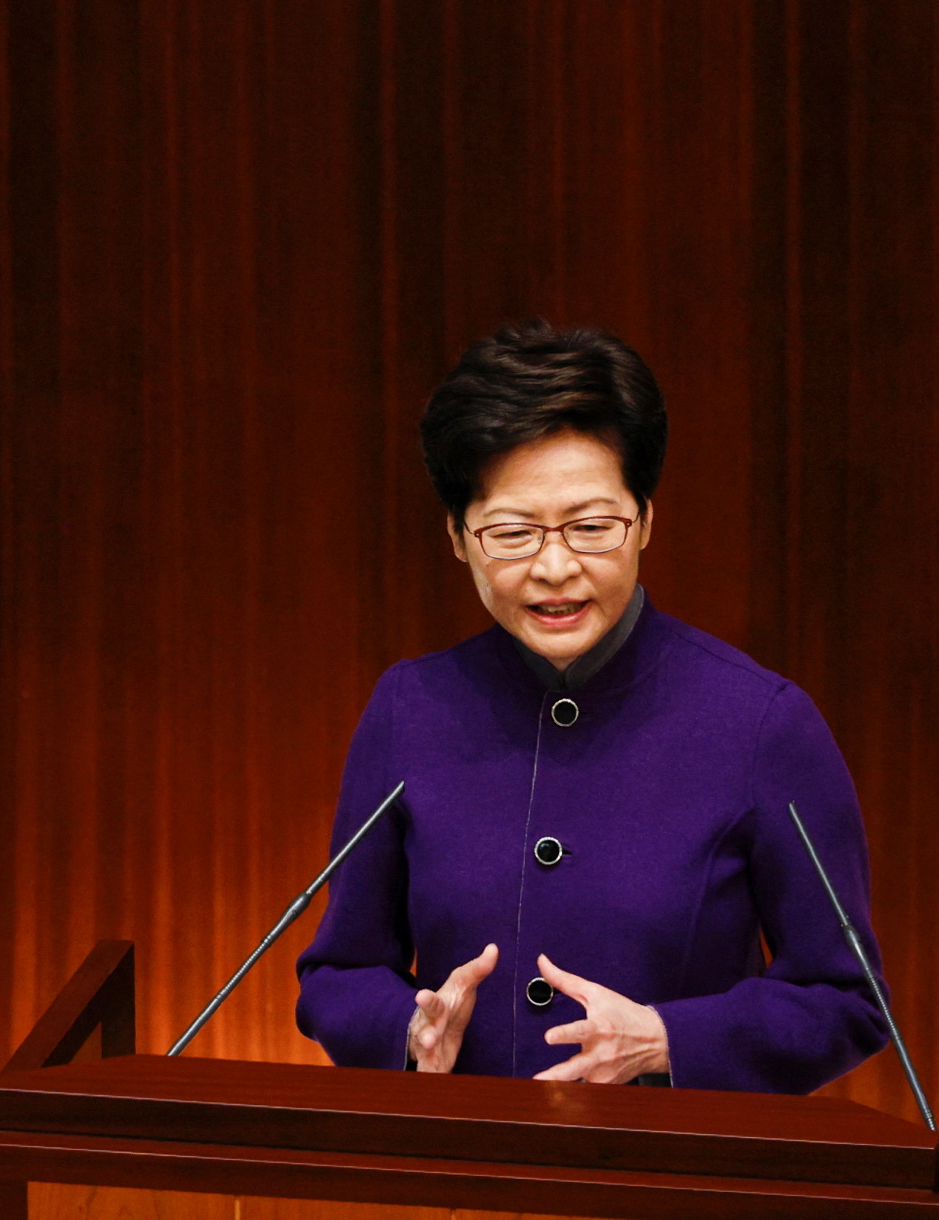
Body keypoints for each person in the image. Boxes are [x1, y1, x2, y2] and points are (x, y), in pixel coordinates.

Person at [293, 321, 893, 1093]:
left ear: (645, 519)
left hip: (676, 1193)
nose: (553, 565)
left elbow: (847, 999)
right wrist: (402, 1028)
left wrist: (666, 1039)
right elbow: (339, 971)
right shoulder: (411, 709)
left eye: (590, 526)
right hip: (451, 1181)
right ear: (456, 536)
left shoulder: (761, 724)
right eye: (511, 532)